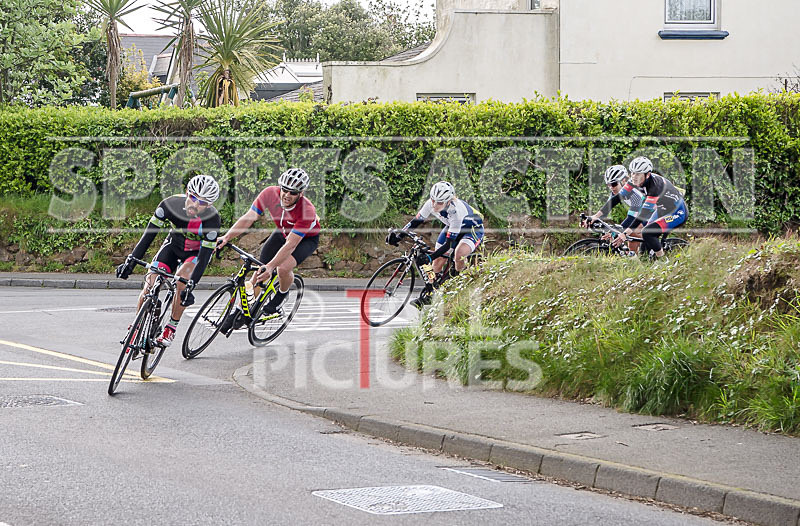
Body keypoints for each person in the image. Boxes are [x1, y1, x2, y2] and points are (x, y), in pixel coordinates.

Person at [116, 174, 221, 347]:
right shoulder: (169, 205)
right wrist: (131, 261)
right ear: (187, 192)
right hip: (172, 246)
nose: (195, 205)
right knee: (150, 282)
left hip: (194, 255)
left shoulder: (212, 219)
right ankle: (136, 326)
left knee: (182, 281)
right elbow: (148, 236)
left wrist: (191, 286)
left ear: (209, 205)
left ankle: (170, 328)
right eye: (193, 197)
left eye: (202, 203)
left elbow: (204, 257)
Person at [216, 168, 320, 332]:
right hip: (282, 233)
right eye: (284, 189)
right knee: (259, 272)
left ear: (301, 193)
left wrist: (271, 266)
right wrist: (227, 237)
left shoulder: (307, 211)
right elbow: (249, 216)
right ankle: (240, 310)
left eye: (292, 192)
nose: (286, 195)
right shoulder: (270, 193)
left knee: (283, 267)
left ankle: (282, 293)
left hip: (305, 240)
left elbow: (291, 245)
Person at [387, 181, 484, 308]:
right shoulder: (430, 203)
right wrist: (399, 236)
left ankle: (461, 280)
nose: (434, 205)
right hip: (452, 227)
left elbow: (448, 245)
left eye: (439, 203)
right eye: (433, 200)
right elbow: (416, 222)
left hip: (472, 230)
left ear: (448, 202)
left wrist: (429, 257)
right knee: (437, 262)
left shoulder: (456, 212)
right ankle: (431, 293)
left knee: (458, 254)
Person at [611, 156, 688, 259]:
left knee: (647, 232)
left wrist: (625, 233)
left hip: (677, 212)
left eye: (638, 174)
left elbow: (642, 215)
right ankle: (648, 264)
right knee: (644, 249)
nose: (634, 176)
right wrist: (595, 216)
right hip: (661, 210)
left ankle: (663, 263)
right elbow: (616, 199)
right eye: (632, 173)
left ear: (647, 175)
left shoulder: (654, 186)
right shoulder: (635, 181)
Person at [582, 165, 653, 255]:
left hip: (653, 211)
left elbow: (632, 218)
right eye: (608, 185)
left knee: (632, 230)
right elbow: (606, 210)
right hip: (642, 212)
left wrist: (617, 231)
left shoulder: (634, 193)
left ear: (623, 181)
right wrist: (593, 220)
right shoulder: (616, 192)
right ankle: (635, 261)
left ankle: (652, 248)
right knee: (629, 237)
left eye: (614, 184)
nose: (611, 187)